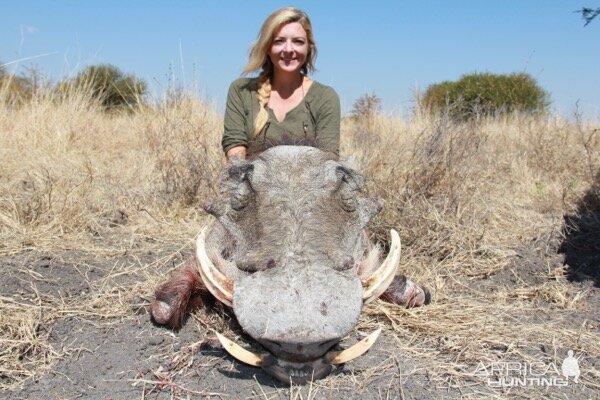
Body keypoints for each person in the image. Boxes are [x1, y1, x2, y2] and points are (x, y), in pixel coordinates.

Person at [222, 7, 341, 160]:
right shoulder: (241, 91)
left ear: (308, 48)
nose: (289, 49)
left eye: (298, 41)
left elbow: (328, 161)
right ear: (267, 48)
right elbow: (235, 157)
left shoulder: (325, 97)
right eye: (279, 41)